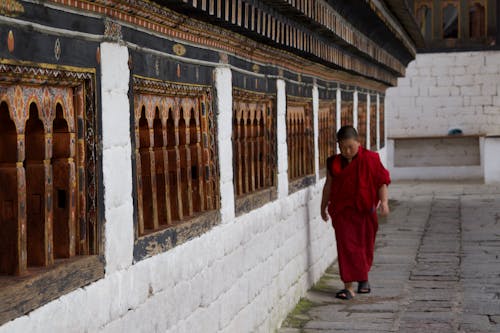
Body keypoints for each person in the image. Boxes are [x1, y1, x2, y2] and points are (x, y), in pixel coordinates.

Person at [320, 125, 390, 300]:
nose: (347, 151)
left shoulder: (371, 159)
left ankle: (363, 278)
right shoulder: (333, 163)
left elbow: (381, 182)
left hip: (365, 212)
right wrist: (322, 206)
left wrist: (385, 202)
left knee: (364, 246)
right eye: (342, 148)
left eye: (350, 146)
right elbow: (328, 186)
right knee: (346, 247)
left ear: (359, 143)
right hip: (343, 212)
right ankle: (348, 287)